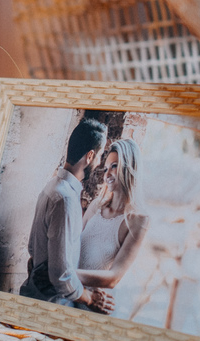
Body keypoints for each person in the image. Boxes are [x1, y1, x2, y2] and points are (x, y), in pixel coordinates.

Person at [19, 117, 113, 312]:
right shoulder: (65, 199)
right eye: (100, 155)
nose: (100, 163)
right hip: (49, 307)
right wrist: (89, 298)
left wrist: (41, 266)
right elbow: (61, 275)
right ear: (90, 156)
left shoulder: (52, 186)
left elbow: (33, 248)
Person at [76, 138, 149, 309]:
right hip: (69, 292)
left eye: (114, 166)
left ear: (129, 168)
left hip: (93, 303)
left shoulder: (138, 220)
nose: (107, 174)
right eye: (106, 168)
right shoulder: (96, 205)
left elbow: (114, 278)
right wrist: (63, 278)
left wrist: (66, 275)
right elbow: (72, 244)